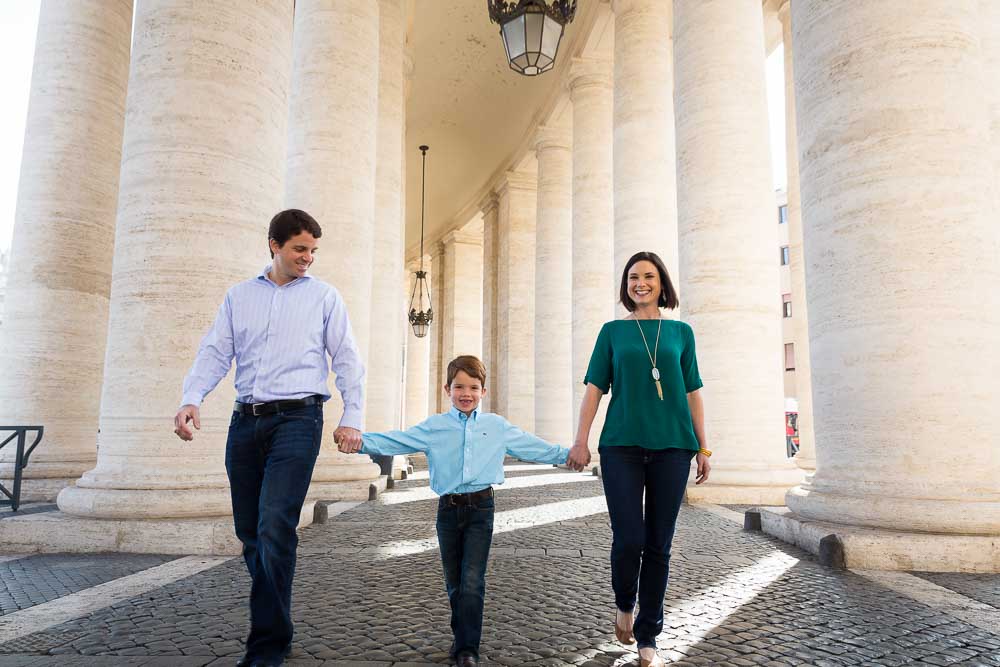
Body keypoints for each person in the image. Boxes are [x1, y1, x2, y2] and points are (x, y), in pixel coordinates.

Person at [172, 209, 365, 667]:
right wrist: (191, 398)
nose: (308, 258)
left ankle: (266, 648)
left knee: (275, 526)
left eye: (313, 251)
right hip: (245, 423)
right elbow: (215, 352)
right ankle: (278, 625)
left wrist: (351, 415)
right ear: (274, 245)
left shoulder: (325, 298)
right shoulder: (239, 297)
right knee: (250, 532)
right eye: (300, 249)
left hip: (299, 422)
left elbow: (348, 360)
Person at [339, 355, 585, 667]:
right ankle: (461, 636)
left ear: (484, 391)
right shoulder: (434, 427)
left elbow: (533, 446)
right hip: (447, 511)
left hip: (482, 509)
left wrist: (570, 455)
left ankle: (468, 648)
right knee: (454, 581)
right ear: (447, 389)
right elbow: (397, 441)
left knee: (472, 580)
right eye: (459, 387)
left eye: (473, 387)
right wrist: (360, 442)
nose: (465, 393)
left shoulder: (497, 427)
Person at [566, 250, 711, 667]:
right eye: (633, 277)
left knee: (659, 545)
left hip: (673, 448)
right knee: (629, 539)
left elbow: (692, 392)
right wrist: (581, 441)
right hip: (621, 448)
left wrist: (703, 447)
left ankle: (649, 632)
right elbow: (594, 390)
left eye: (648, 276)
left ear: (662, 283)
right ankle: (624, 603)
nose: (640, 283)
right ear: (626, 286)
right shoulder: (612, 332)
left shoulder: (682, 333)